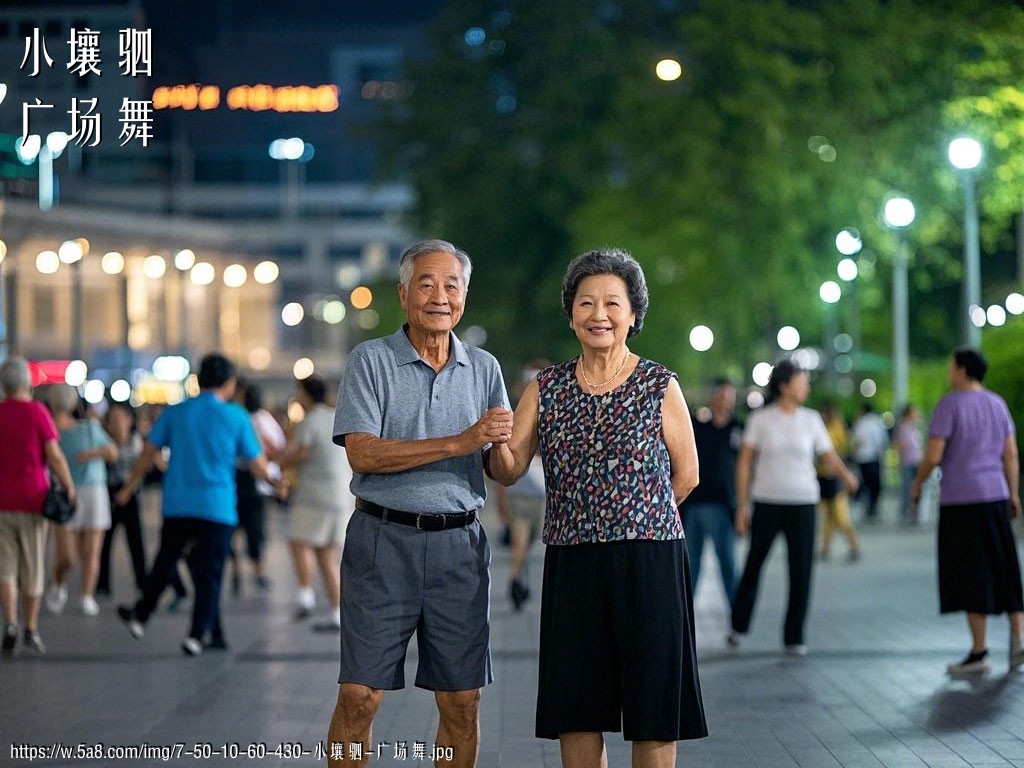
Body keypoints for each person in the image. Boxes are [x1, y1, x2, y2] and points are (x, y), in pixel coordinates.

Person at [489, 248, 707, 768]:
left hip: (648, 561)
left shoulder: (660, 384)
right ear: (571, 315)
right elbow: (509, 467)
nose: (599, 314)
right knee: (578, 708)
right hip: (574, 563)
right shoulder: (546, 388)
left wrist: (635, 514)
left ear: (633, 314)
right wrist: (493, 440)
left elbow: (688, 473)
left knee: (653, 708)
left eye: (613, 302)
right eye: (586, 303)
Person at [328, 239, 512, 768]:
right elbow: (362, 454)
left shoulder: (484, 368)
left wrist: (511, 444)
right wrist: (460, 441)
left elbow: (498, 467)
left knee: (461, 700)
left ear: (465, 296)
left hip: (460, 546)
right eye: (426, 284)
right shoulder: (372, 361)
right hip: (381, 543)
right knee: (359, 696)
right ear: (403, 294)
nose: (440, 296)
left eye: (452, 285)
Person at [115, 353, 272, 656]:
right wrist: (277, 482)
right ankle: (196, 635)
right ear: (228, 383)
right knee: (211, 573)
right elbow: (257, 464)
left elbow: (148, 453)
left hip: (178, 504)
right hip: (218, 507)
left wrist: (129, 487)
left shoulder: (175, 413)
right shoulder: (236, 416)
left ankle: (142, 613)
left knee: (165, 561)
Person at [730, 360, 858, 655]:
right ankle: (738, 626)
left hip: (803, 502)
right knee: (754, 565)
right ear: (784, 386)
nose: (806, 386)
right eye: (802, 381)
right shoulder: (761, 420)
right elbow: (745, 463)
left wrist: (848, 476)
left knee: (801, 570)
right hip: (767, 502)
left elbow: (828, 456)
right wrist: (742, 505)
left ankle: (794, 635)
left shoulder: (812, 419)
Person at [910, 348, 1024, 674]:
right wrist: (1012, 493)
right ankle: (1018, 637)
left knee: (970, 572)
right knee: (1004, 566)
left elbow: (933, 456)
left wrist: (917, 484)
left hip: (961, 501)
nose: (949, 372)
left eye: (951, 367)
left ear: (962, 370)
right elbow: (1011, 455)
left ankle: (979, 651)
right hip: (996, 496)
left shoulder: (949, 405)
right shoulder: (997, 404)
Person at [0, 356, 76, 654]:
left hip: (1, 502)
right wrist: (69, 485)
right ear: (27, 383)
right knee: (32, 565)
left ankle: (9, 623)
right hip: (33, 500)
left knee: (4, 566)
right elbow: (54, 455)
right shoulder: (37, 413)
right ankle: (30, 628)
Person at [274, 375, 353, 631]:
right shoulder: (336, 417)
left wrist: (279, 463)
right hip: (342, 496)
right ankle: (336, 613)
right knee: (329, 556)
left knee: (299, 541)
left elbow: (301, 452)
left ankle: (305, 596)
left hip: (315, 497)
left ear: (307, 395)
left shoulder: (310, 420)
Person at [45, 385, 117, 617]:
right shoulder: (49, 429)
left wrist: (90, 455)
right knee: (67, 555)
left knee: (91, 550)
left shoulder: (89, 428)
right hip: (64, 493)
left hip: (93, 490)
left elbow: (112, 451)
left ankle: (86, 595)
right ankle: (57, 582)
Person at [492, 360, 549, 611]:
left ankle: (520, 578)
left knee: (529, 541)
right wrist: (502, 500)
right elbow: (503, 464)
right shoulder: (515, 419)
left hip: (541, 497)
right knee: (520, 542)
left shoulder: (552, 419)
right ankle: (516, 582)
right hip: (520, 495)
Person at [682, 377, 742, 607]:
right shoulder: (697, 426)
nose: (725, 400)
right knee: (690, 564)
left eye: (729, 395)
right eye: (721, 394)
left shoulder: (737, 428)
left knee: (728, 563)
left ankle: (736, 619)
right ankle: (685, 616)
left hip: (724, 505)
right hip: (694, 503)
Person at [229, 381, 285, 595]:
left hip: (247, 478)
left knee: (241, 528)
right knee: (255, 529)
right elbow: (277, 446)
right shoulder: (262, 419)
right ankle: (256, 571)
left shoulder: (245, 417)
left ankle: (242, 571)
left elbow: (274, 447)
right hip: (255, 481)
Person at [97, 403, 148, 599]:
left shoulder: (136, 442)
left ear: (129, 420)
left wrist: (127, 491)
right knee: (105, 541)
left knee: (136, 540)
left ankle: (142, 582)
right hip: (109, 493)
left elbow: (140, 470)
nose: (117, 423)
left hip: (130, 493)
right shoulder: (103, 442)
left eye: (120, 418)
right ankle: (102, 583)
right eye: (112, 419)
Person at [817, 403, 860, 561]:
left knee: (841, 515)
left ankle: (854, 546)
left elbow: (840, 450)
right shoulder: (819, 428)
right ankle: (825, 548)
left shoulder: (837, 428)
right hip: (822, 476)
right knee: (828, 516)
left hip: (836, 476)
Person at [851, 402, 888, 522]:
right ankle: (873, 509)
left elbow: (855, 442)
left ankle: (863, 508)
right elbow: (882, 441)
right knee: (875, 485)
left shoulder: (860, 423)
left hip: (862, 458)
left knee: (864, 484)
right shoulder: (877, 422)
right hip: (875, 458)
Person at [893, 404, 923, 524]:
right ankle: (905, 512)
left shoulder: (915, 428)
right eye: (914, 412)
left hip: (917, 461)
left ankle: (914, 512)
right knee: (906, 488)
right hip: (907, 461)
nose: (916, 415)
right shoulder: (902, 428)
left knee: (917, 487)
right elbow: (899, 445)